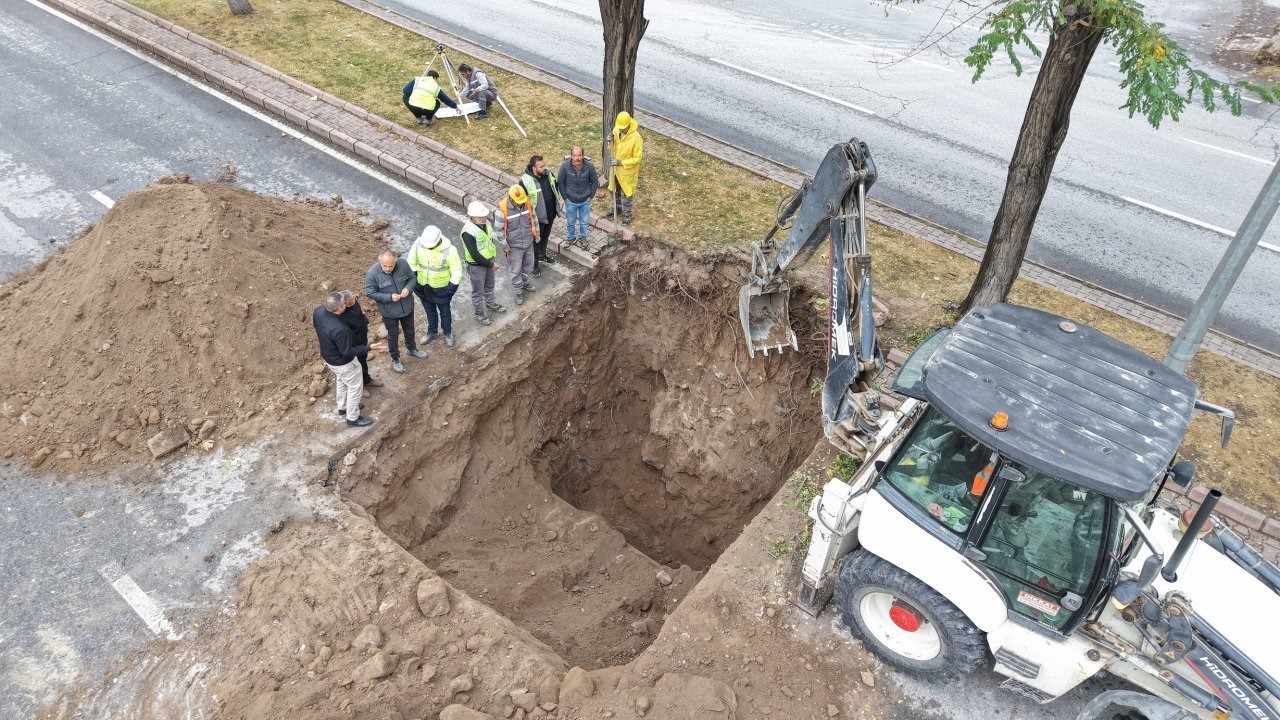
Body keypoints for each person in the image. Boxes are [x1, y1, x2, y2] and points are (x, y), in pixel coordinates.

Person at [312, 292, 387, 428]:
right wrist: (369, 347)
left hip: (329, 357)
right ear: (340, 307)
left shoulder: (318, 312)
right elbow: (348, 352)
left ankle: (343, 407)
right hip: (343, 363)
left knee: (341, 380)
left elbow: (316, 327)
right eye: (345, 304)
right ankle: (353, 418)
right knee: (355, 388)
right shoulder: (340, 329)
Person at [364, 249, 428, 374]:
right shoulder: (372, 273)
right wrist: (389, 297)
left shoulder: (403, 264)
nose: (388, 269)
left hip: (407, 307)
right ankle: (395, 359)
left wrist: (408, 288)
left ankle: (412, 349)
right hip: (389, 312)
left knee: (410, 330)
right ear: (380, 263)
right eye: (384, 266)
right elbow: (370, 293)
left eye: (391, 266)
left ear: (396, 262)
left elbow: (412, 278)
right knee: (392, 335)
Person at [408, 225, 463, 347]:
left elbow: (457, 272)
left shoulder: (450, 250)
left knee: (445, 312)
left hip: (441, 288)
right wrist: (415, 280)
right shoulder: (418, 243)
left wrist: (449, 291)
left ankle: (447, 332)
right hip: (423, 287)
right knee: (429, 311)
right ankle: (432, 332)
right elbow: (411, 261)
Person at [460, 201, 507, 326]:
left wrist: (491, 260)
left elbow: (488, 240)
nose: (484, 217)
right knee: (478, 291)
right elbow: (475, 255)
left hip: (488, 260)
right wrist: (491, 265)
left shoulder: (485, 223)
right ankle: (479, 313)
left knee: (489, 285)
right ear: (473, 217)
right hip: (476, 266)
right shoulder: (468, 232)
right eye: (481, 216)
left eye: (484, 215)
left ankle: (490, 304)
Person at [520, 155, 563, 275]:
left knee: (544, 238)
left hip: (550, 215)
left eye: (544, 165)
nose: (545, 167)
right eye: (541, 166)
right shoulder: (525, 181)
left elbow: (556, 188)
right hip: (536, 219)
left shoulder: (549, 174)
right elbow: (521, 202)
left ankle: (542, 256)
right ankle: (534, 267)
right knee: (535, 242)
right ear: (534, 168)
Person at [495, 185, 537, 306]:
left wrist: (536, 234)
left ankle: (523, 282)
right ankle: (518, 290)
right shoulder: (502, 209)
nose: (520, 204)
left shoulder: (527, 203)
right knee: (516, 269)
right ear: (511, 198)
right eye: (518, 202)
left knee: (529, 266)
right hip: (514, 246)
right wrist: (505, 245)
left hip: (528, 242)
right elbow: (498, 230)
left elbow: (534, 219)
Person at [557, 146, 603, 248]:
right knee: (570, 222)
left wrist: (590, 196)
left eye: (579, 155)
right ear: (571, 156)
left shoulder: (589, 166)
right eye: (574, 155)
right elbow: (560, 182)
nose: (577, 158)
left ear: (582, 155)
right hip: (570, 200)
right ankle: (571, 237)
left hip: (585, 200)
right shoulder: (564, 166)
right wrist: (565, 197)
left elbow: (595, 182)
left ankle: (583, 237)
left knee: (584, 222)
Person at [338, 290, 378, 397]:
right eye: (352, 299)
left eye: (354, 297)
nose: (355, 298)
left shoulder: (354, 302)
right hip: (353, 343)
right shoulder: (341, 314)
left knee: (363, 360)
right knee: (356, 366)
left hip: (362, 337)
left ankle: (367, 380)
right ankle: (360, 387)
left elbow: (360, 314)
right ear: (344, 304)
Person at [607, 111, 644, 225]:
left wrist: (621, 162)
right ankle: (617, 208)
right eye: (620, 128)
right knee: (615, 190)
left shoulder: (636, 138)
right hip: (616, 169)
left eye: (623, 128)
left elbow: (637, 158)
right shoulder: (616, 130)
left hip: (627, 171)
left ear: (629, 124)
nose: (621, 130)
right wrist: (610, 140)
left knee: (627, 194)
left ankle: (628, 215)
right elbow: (613, 148)